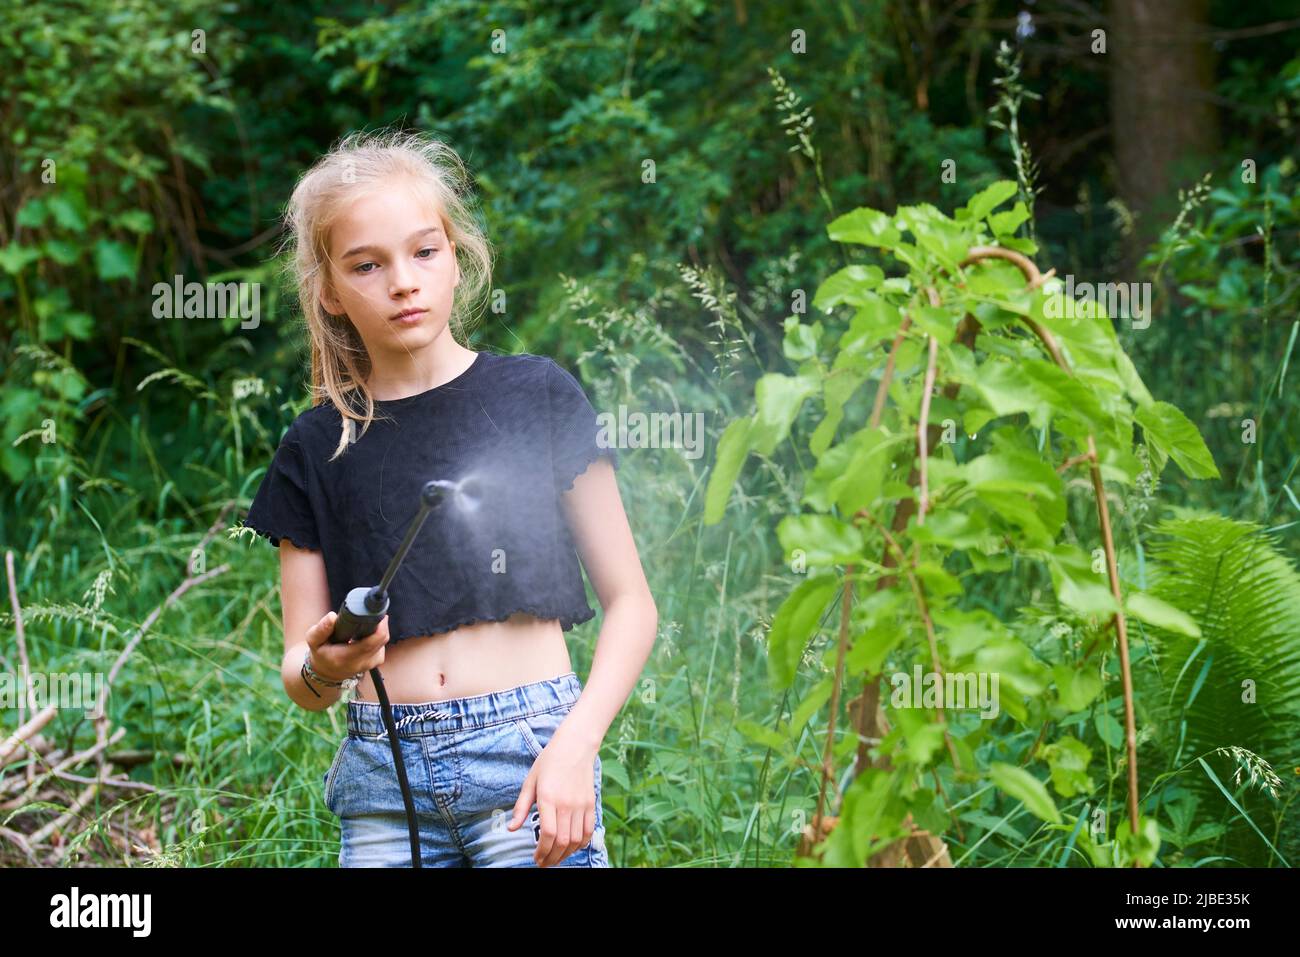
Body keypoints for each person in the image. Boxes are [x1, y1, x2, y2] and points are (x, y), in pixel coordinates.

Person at [242, 128, 657, 867]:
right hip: (383, 777)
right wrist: (328, 667)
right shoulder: (314, 446)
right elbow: (299, 678)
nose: (402, 281)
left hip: (530, 759)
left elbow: (633, 603)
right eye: (367, 265)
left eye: (424, 251)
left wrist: (575, 746)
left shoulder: (538, 396)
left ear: (457, 258)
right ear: (330, 291)